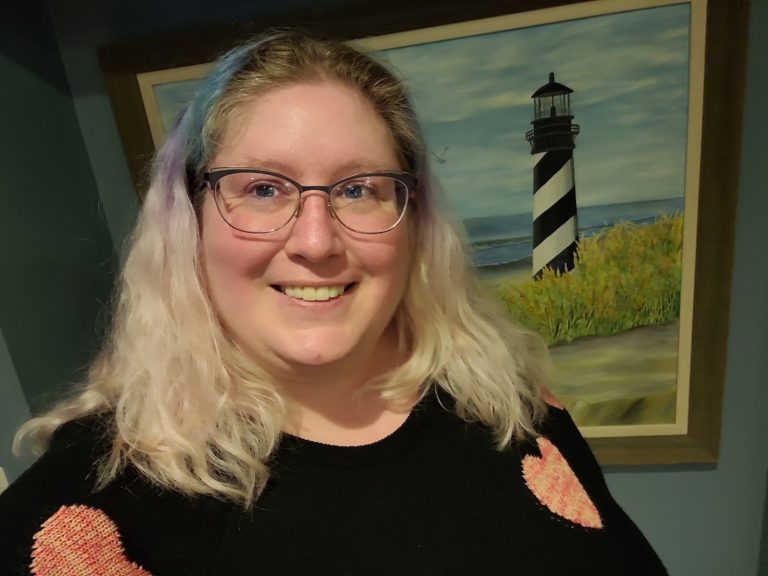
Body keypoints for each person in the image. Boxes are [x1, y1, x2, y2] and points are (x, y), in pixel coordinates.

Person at [0, 30, 667, 575]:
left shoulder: (509, 401)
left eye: (359, 189)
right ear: (189, 220)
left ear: (413, 220)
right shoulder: (94, 508)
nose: (316, 242)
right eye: (262, 189)